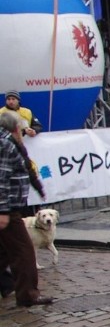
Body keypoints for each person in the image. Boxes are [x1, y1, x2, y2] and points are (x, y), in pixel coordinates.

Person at [0, 111, 54, 308]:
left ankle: (12, 288)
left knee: (5, 251)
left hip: (10, 205)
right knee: (24, 251)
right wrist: (3, 211)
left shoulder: (12, 143)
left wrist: (38, 187)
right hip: (9, 207)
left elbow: (26, 169)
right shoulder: (6, 144)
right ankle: (27, 295)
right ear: (15, 128)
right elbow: (2, 178)